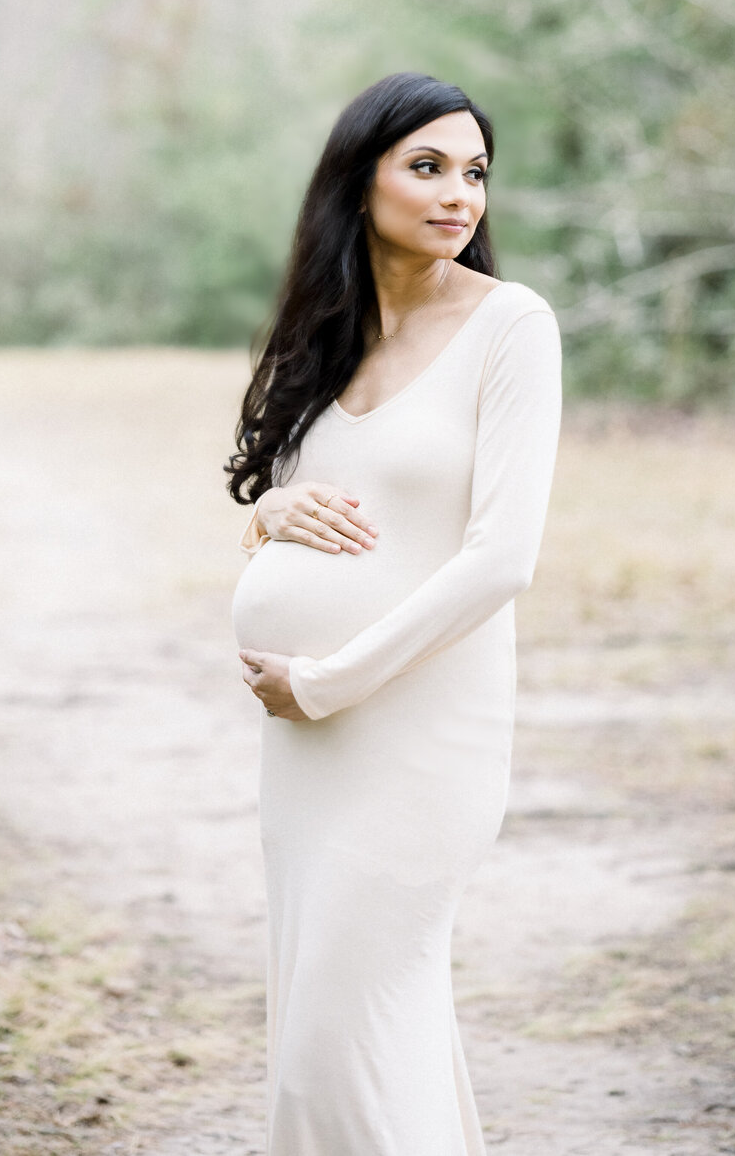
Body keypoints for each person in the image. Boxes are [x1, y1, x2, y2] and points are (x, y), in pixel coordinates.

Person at [226, 71, 563, 1155]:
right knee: (358, 1036)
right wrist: (273, 507)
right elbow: (276, 501)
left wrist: (324, 680)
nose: (459, 193)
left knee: (336, 1040)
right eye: (427, 166)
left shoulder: (511, 326)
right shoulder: (328, 332)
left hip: (416, 740)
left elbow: (501, 559)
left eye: (474, 172)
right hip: (307, 759)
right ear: (354, 182)